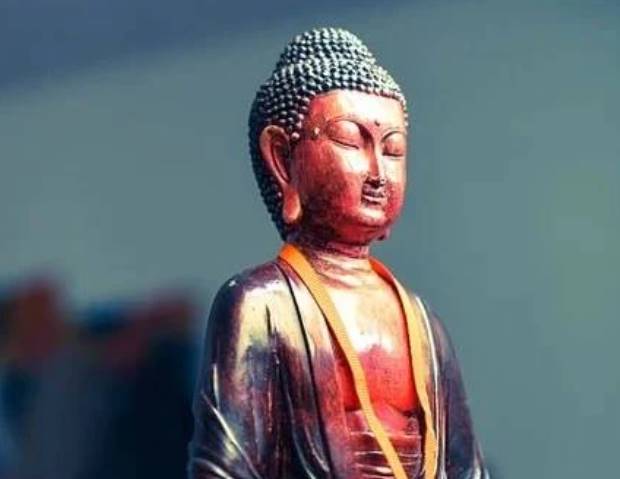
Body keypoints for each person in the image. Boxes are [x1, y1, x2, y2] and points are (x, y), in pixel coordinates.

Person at [188, 27, 488, 479]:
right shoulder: (261, 305)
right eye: (351, 141)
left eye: (393, 149)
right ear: (282, 159)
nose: (378, 172)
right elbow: (223, 470)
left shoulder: (423, 324)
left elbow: (467, 471)